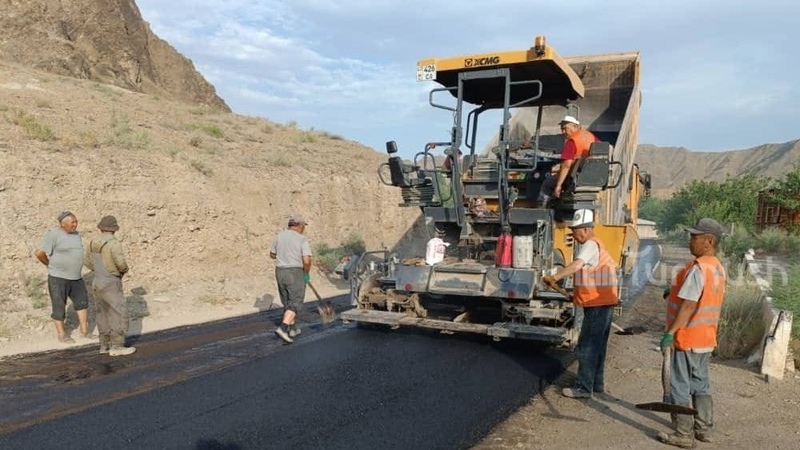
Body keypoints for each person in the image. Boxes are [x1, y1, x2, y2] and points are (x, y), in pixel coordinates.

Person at [657, 218, 726, 448]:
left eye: (695, 237)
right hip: (705, 339)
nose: (690, 241)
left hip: (686, 338)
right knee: (701, 385)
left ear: (709, 241)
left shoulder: (698, 268)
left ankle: (683, 434)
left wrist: (670, 333)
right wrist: (672, 292)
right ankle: (703, 429)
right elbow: (703, 297)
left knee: (679, 386)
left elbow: (689, 305)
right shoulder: (717, 267)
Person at [543, 209, 618, 399]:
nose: (573, 235)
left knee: (587, 345)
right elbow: (590, 278)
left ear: (585, 229)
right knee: (598, 345)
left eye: (575, 231)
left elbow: (577, 265)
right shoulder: (598, 245)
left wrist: (554, 277)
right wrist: (574, 295)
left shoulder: (590, 244)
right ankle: (596, 383)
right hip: (604, 302)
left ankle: (583, 388)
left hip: (597, 305)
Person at [34, 211, 93, 344]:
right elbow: (39, 253)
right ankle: (62, 335)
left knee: (82, 303)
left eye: (76, 222)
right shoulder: (53, 234)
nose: (75, 224)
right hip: (58, 277)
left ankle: (84, 332)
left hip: (76, 277)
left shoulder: (76, 235)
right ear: (63, 224)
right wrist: (49, 265)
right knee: (59, 305)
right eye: (72, 222)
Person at [84, 215, 136, 356]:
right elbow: (121, 264)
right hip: (111, 281)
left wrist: (98, 271)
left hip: (97, 281)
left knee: (102, 313)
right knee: (118, 312)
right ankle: (117, 346)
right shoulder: (114, 243)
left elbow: (87, 261)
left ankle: (104, 345)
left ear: (101, 228)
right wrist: (122, 271)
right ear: (114, 229)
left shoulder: (92, 242)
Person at [270, 214, 313, 343]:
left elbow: (272, 255)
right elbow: (307, 260)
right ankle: (283, 328)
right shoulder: (302, 239)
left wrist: (284, 254)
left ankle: (293, 328)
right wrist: (306, 273)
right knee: (295, 302)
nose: (304, 228)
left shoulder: (279, 236)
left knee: (287, 301)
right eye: (304, 226)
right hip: (295, 272)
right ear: (300, 225)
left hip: (280, 271)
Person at [538, 115, 598, 206]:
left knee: (547, 183)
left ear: (575, 126)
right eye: (562, 129)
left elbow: (566, 165)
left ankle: (542, 208)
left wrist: (558, 185)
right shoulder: (590, 135)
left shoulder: (572, 141)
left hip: (576, 176)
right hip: (591, 174)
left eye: (565, 128)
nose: (563, 132)